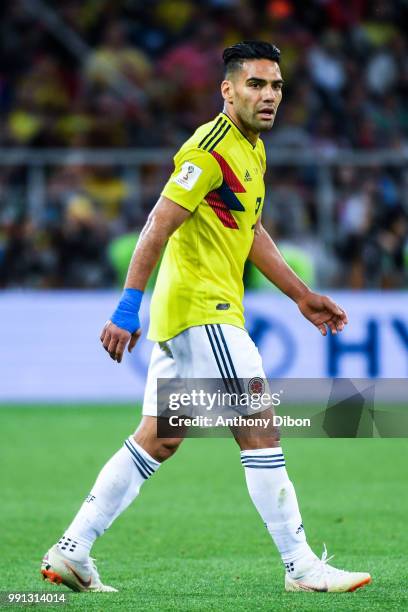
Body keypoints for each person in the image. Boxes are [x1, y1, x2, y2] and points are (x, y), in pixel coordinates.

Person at [41, 41, 371, 594]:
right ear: (228, 89)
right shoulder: (210, 147)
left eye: (276, 86)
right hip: (204, 311)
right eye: (256, 85)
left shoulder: (253, 149)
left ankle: (73, 549)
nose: (268, 96)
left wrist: (299, 294)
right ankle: (301, 566)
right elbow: (157, 223)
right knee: (260, 428)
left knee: (159, 439)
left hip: (194, 313)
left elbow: (252, 230)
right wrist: (126, 307)